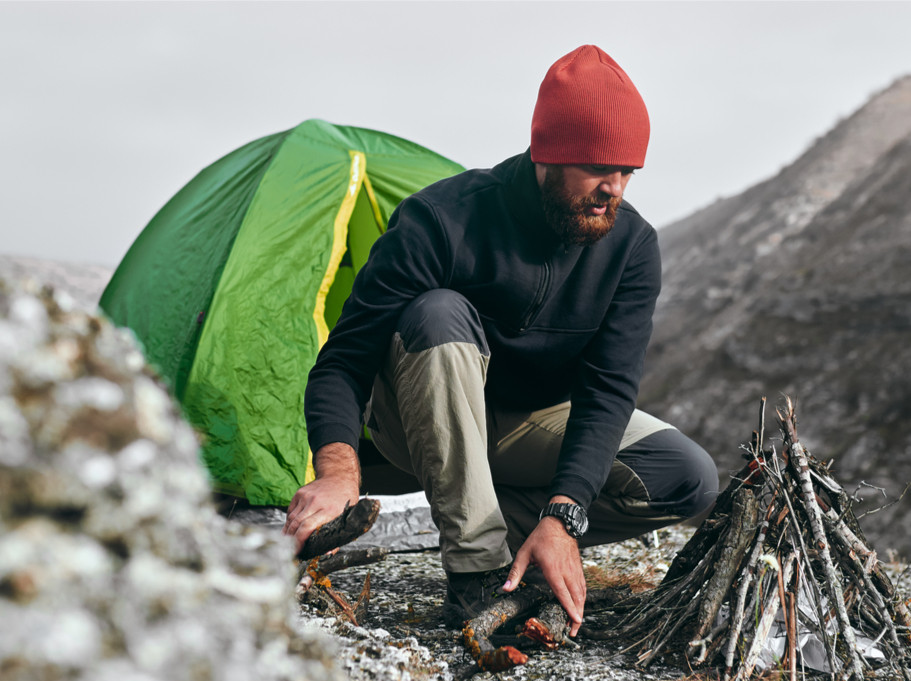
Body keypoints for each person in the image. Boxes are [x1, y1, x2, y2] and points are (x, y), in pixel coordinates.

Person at [283, 45, 718, 638]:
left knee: (685, 474)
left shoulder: (632, 248)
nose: (613, 189)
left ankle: (494, 528)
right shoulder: (441, 220)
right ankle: (478, 577)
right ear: (548, 152)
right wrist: (337, 470)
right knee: (439, 313)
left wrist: (564, 517)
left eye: (627, 172)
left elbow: (608, 390)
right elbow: (344, 359)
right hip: (413, 425)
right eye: (597, 168)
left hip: (523, 427)